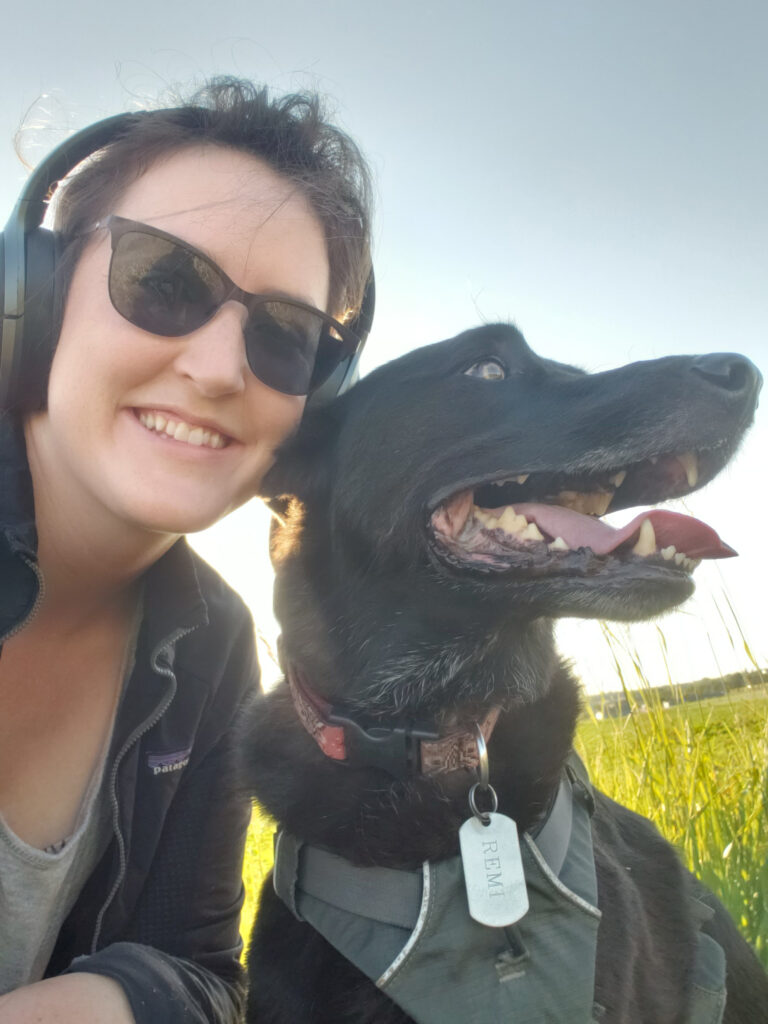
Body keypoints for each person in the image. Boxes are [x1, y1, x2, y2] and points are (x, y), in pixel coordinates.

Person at [0, 77, 373, 1023]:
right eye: (163, 282)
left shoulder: (214, 638)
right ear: (33, 296)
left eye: (284, 337)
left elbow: (198, 969)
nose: (216, 369)